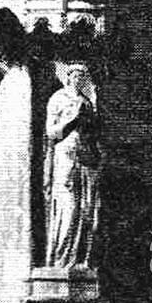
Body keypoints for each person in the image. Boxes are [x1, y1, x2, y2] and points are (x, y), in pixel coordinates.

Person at [43, 60, 100, 269]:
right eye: (75, 76)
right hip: (65, 153)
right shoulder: (58, 98)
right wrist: (72, 120)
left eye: (82, 77)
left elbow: (93, 133)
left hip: (84, 157)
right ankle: (59, 259)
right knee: (68, 207)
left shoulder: (86, 101)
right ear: (68, 77)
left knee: (85, 208)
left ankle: (77, 259)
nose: (78, 80)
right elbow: (51, 132)